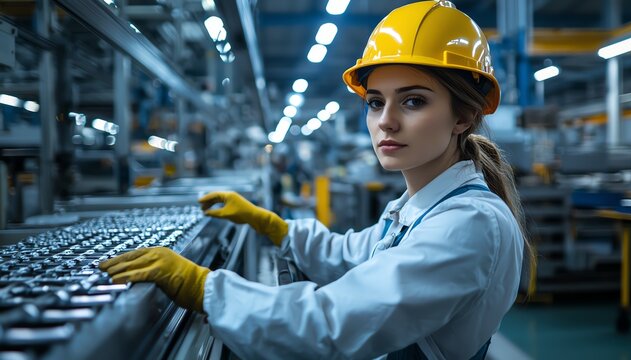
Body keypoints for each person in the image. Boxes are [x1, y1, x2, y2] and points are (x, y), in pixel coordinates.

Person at [99, 1, 532, 358]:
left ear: (465, 116)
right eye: (375, 102)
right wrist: (275, 227)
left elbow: (333, 321)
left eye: (413, 101)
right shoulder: (419, 209)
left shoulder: (468, 225)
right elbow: (354, 255)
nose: (386, 122)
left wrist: (206, 289)